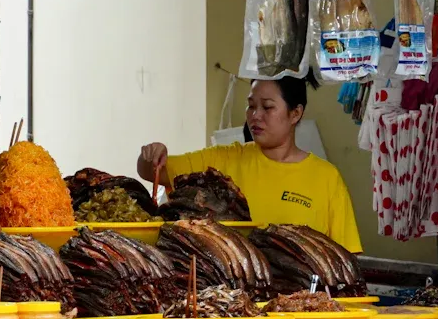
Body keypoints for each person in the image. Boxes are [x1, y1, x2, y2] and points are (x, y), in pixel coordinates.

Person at [138, 76, 362, 253]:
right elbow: (155, 171)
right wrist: (151, 155)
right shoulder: (224, 159)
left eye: (267, 107)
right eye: (251, 106)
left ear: (295, 113)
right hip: (230, 301)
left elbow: (346, 256)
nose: (255, 116)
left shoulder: (326, 177)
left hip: (300, 302)